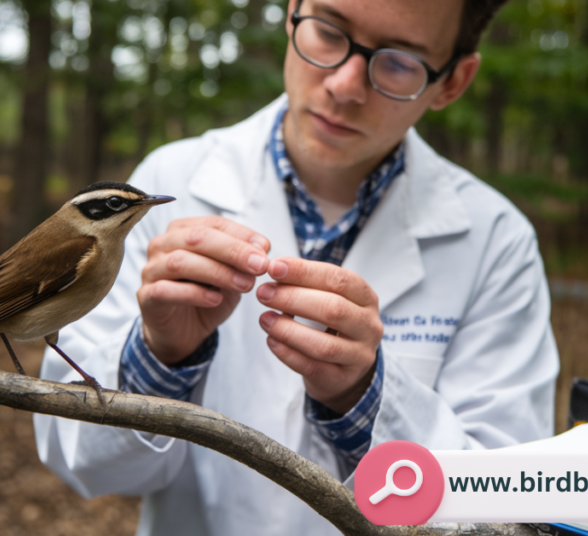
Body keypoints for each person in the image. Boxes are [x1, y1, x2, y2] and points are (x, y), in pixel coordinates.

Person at [34, 0, 559, 534]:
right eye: (329, 32)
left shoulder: (496, 241)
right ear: (291, 14)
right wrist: (160, 355)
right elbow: (79, 457)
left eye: (399, 62)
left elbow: (504, 503)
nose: (346, 85)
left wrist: (364, 400)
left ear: (453, 82)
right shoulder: (169, 181)